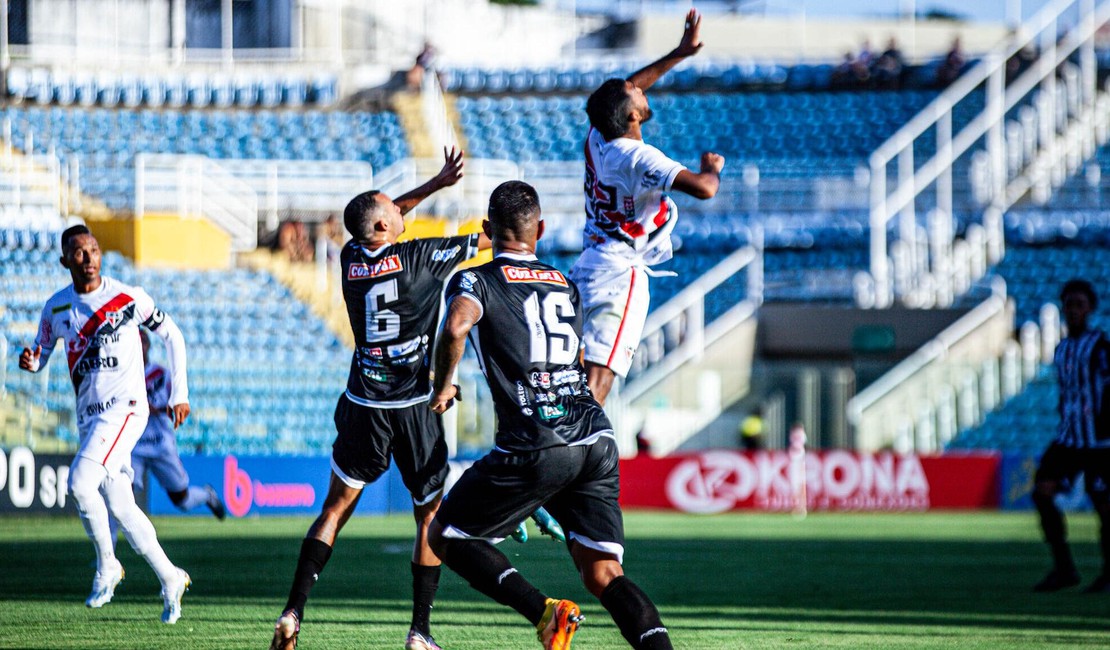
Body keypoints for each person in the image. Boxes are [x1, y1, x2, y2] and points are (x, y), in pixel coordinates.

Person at [271, 147, 543, 650]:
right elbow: (495, 238)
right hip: (415, 406)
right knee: (430, 517)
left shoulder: (352, 258)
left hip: (363, 402)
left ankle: (293, 611)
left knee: (334, 509)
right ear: (383, 227)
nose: (402, 210)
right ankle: (420, 630)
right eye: (395, 210)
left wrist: (436, 184)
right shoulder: (423, 257)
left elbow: (376, 216)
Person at [428, 180, 676, 649]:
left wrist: (443, 386)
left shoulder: (475, 278)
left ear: (486, 229)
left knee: (446, 534)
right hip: (595, 435)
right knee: (604, 573)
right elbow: (575, 362)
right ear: (540, 229)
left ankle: (545, 613)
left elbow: (457, 324)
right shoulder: (564, 282)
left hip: (536, 438)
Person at [18, 224, 192, 623]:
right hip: (91, 418)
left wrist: (179, 393)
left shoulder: (126, 297)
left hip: (127, 408)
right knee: (120, 504)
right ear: (66, 260)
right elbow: (41, 353)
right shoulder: (57, 308)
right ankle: (170, 576)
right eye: (79, 252)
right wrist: (31, 362)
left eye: (94, 250)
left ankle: (108, 565)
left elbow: (173, 335)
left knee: (79, 483)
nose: (89, 258)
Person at [573, 8, 724, 407]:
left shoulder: (598, 136)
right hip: (620, 273)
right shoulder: (642, 158)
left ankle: (560, 447)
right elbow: (705, 190)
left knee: (578, 370)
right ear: (634, 115)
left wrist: (680, 53)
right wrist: (711, 169)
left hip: (591, 262)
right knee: (599, 378)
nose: (642, 87)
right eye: (637, 92)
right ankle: (572, 457)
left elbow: (625, 90)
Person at [1031, 279, 1110, 594]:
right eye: (1069, 305)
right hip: (1068, 438)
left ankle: (1108, 573)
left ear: (1090, 308)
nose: (1073, 310)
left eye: (1079, 304)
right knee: (1042, 492)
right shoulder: (1062, 349)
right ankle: (1064, 568)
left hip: (1100, 443)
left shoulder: (1101, 347)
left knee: (1105, 506)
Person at [130, 328, 227, 519]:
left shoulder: (162, 374)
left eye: (141, 341)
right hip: (134, 446)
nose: (138, 346)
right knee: (121, 493)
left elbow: (176, 405)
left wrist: (152, 408)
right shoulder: (123, 377)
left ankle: (207, 495)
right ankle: (108, 547)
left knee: (181, 500)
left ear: (147, 345)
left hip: (160, 445)